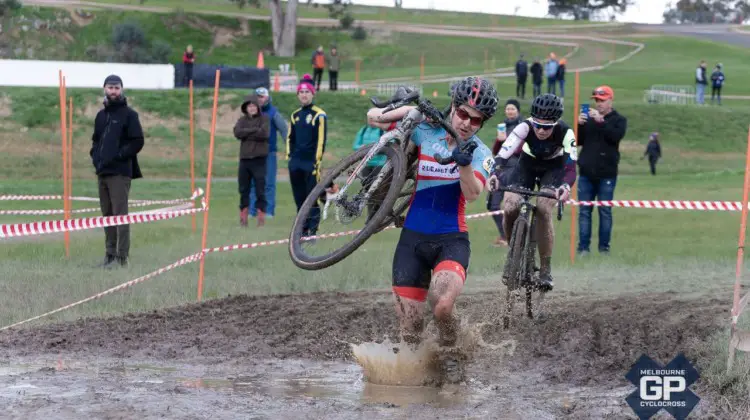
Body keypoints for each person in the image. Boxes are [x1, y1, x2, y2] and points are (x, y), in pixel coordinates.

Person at [367, 76, 498, 383]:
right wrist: (403, 110)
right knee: (410, 333)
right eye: (463, 113)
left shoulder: (480, 153)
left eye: (475, 120)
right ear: (452, 106)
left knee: (442, 307)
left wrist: (464, 164)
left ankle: (453, 353)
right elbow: (372, 118)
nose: (466, 123)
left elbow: (474, 192)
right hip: (412, 240)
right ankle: (420, 380)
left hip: (450, 239)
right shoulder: (426, 128)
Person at [488, 93, 576, 291]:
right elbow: (503, 152)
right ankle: (514, 255)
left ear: (555, 123)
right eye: (538, 125)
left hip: (553, 168)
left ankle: (545, 269)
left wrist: (565, 186)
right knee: (510, 206)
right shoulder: (524, 126)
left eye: (547, 127)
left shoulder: (565, 131)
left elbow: (571, 168)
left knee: (544, 209)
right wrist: (494, 173)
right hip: (526, 165)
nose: (541, 130)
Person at [90, 74, 144, 269]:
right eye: (110, 87)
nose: (113, 91)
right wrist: (96, 158)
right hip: (102, 172)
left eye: (117, 87)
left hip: (120, 173)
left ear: (121, 90)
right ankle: (109, 255)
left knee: (121, 215)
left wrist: (119, 155)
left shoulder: (130, 115)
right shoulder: (101, 116)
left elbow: (137, 141)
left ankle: (122, 258)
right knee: (108, 215)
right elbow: (96, 141)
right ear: (104, 89)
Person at [576, 85, 628, 256]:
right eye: (596, 100)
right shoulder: (590, 119)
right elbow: (579, 141)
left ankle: (604, 248)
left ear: (610, 100)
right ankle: (583, 248)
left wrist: (601, 122)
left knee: (604, 211)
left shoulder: (619, 120)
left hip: (607, 173)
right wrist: (580, 125)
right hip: (586, 173)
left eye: (602, 100)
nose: (598, 104)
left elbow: (615, 137)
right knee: (584, 211)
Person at [287, 74, 327, 237]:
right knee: (299, 197)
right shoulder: (295, 115)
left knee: (311, 198)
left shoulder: (319, 115)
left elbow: (321, 140)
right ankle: (301, 229)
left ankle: (312, 229)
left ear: (312, 94)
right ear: (298, 95)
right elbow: (291, 138)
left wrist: (316, 161)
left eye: (307, 92)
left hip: (310, 163)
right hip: (295, 162)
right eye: (301, 92)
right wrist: (290, 158)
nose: (304, 95)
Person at [249, 87, 288, 220]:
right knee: (254, 183)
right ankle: (252, 211)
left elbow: (284, 131)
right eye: (257, 96)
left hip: (269, 153)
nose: (259, 99)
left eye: (262, 96)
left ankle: (269, 211)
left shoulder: (273, 113)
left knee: (269, 183)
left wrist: (289, 147)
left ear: (267, 97)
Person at [488, 98, 523, 247]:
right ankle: (505, 235)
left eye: (512, 109)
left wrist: (507, 141)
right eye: (508, 109)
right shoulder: (503, 126)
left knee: (514, 206)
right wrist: (499, 140)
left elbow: (522, 150)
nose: (510, 111)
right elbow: (496, 151)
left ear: (518, 111)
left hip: (516, 170)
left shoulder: (523, 127)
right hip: (501, 170)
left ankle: (517, 235)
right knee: (493, 205)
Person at [234, 94, 270, 227]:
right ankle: (243, 217)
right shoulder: (241, 120)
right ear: (246, 108)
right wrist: (254, 131)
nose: (252, 108)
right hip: (244, 160)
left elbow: (264, 133)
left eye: (254, 105)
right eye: (249, 106)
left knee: (260, 189)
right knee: (243, 189)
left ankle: (261, 217)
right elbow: (237, 132)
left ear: (257, 107)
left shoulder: (264, 119)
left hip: (259, 160)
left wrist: (247, 133)